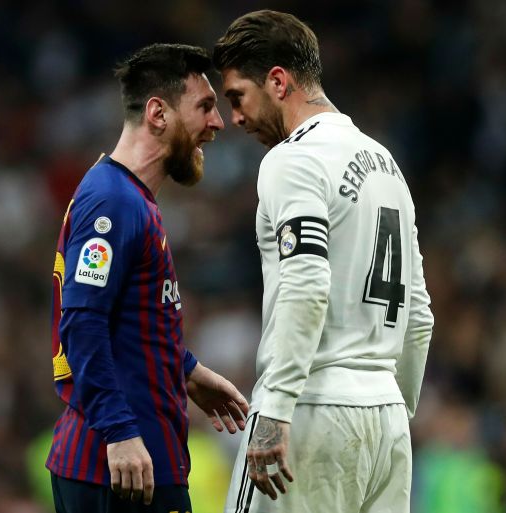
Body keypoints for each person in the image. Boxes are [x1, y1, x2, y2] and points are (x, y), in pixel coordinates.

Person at [213, 10, 434, 513]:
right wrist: (395, 411)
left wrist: (274, 408)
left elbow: (307, 281)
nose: (236, 119)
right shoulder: (387, 166)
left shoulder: (293, 159)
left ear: (277, 81)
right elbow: (418, 315)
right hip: (387, 421)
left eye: (237, 98)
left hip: (312, 406)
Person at [46, 43, 249, 513]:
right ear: (157, 113)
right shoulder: (113, 202)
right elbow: (83, 322)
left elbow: (125, 321)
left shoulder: (128, 199)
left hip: (130, 464)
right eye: (204, 107)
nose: (217, 123)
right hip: (120, 468)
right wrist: (119, 432)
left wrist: (188, 370)